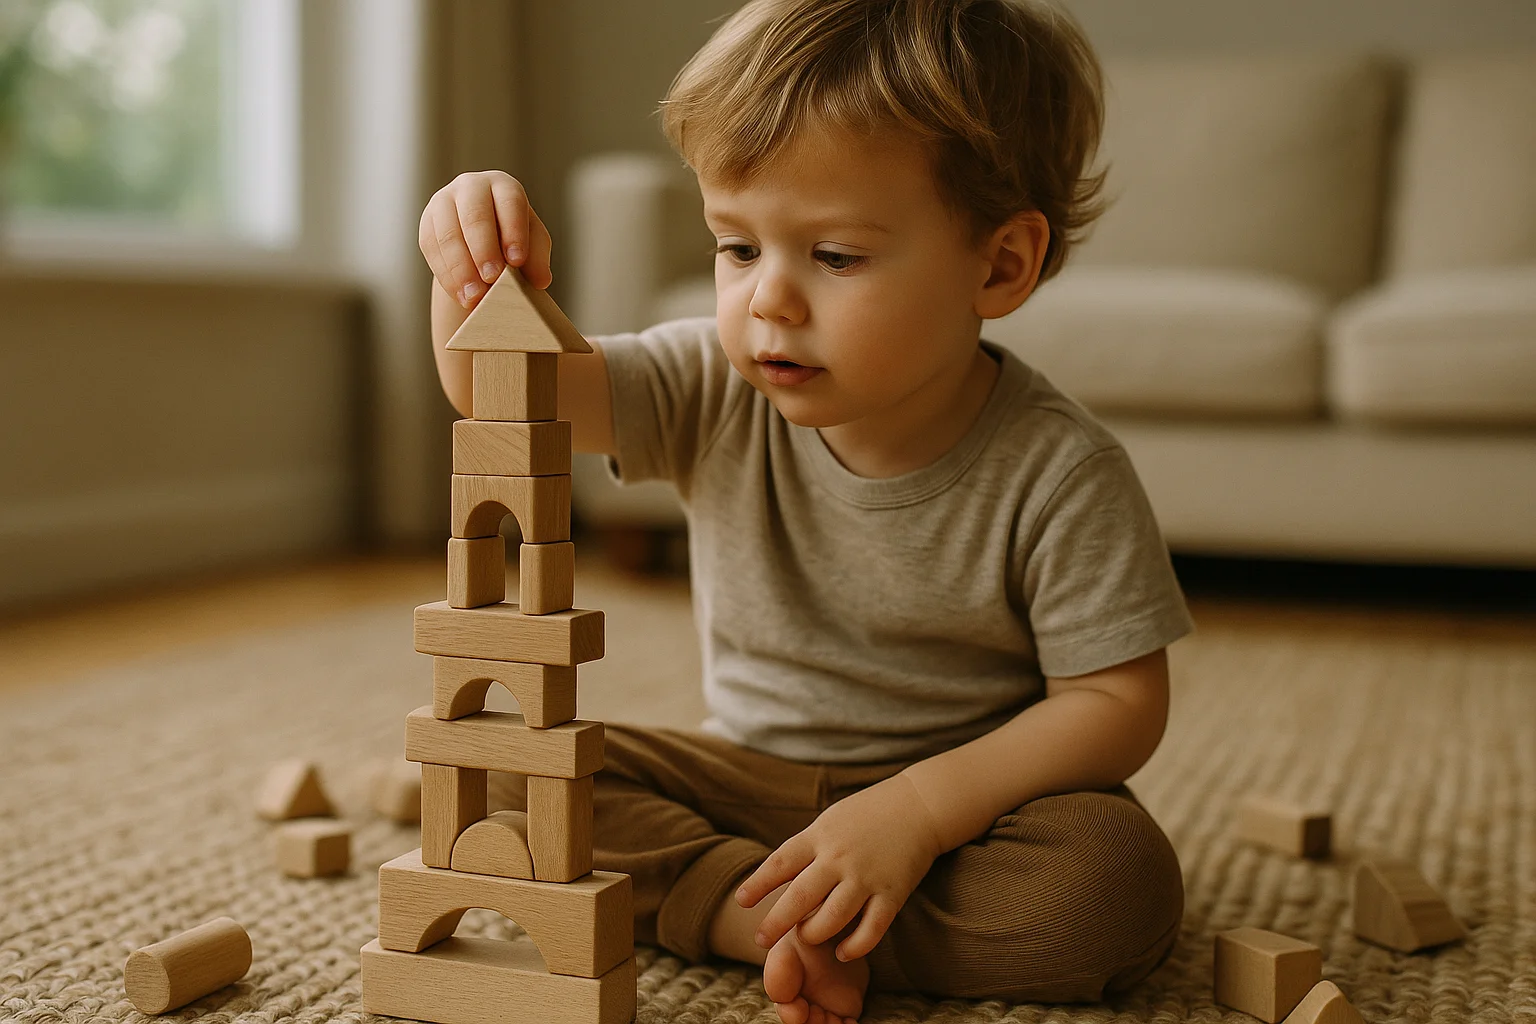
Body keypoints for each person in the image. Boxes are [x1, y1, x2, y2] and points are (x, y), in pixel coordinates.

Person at [419, 2, 1194, 1021]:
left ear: (998, 265)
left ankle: (784, 908)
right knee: (504, 768)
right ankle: (771, 915)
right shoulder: (713, 378)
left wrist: (915, 811)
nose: (768, 301)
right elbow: (506, 390)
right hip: (746, 772)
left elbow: (1116, 706)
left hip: (972, 808)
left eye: (834, 256)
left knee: (1112, 881)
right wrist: (469, 266)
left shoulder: (1059, 469)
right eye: (737, 247)